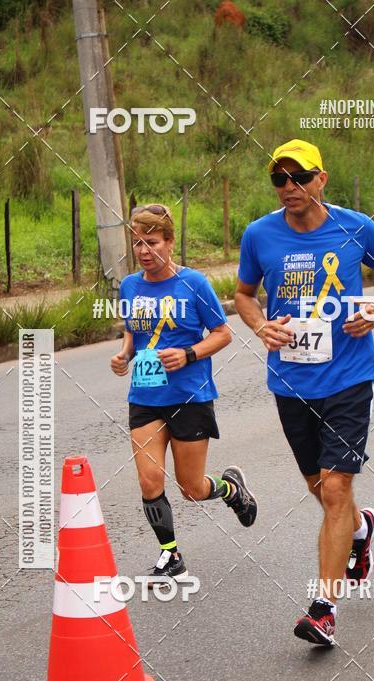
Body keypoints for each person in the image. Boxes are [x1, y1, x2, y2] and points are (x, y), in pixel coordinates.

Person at [234, 139, 374, 647]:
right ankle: (358, 532)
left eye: (300, 177)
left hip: (350, 378)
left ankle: (324, 609)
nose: (290, 187)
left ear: (321, 178)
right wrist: (261, 326)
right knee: (320, 487)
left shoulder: (356, 226)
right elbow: (243, 296)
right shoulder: (259, 235)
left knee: (334, 488)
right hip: (291, 381)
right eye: (280, 179)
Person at [111, 204, 257, 583]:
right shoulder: (130, 286)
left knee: (191, 488)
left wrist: (189, 353)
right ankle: (170, 555)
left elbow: (223, 333)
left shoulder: (194, 284)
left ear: (171, 242)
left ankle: (230, 489)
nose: (145, 250)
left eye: (153, 242)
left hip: (190, 395)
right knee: (149, 480)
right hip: (145, 394)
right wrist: (124, 355)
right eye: (138, 243)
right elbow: (134, 332)